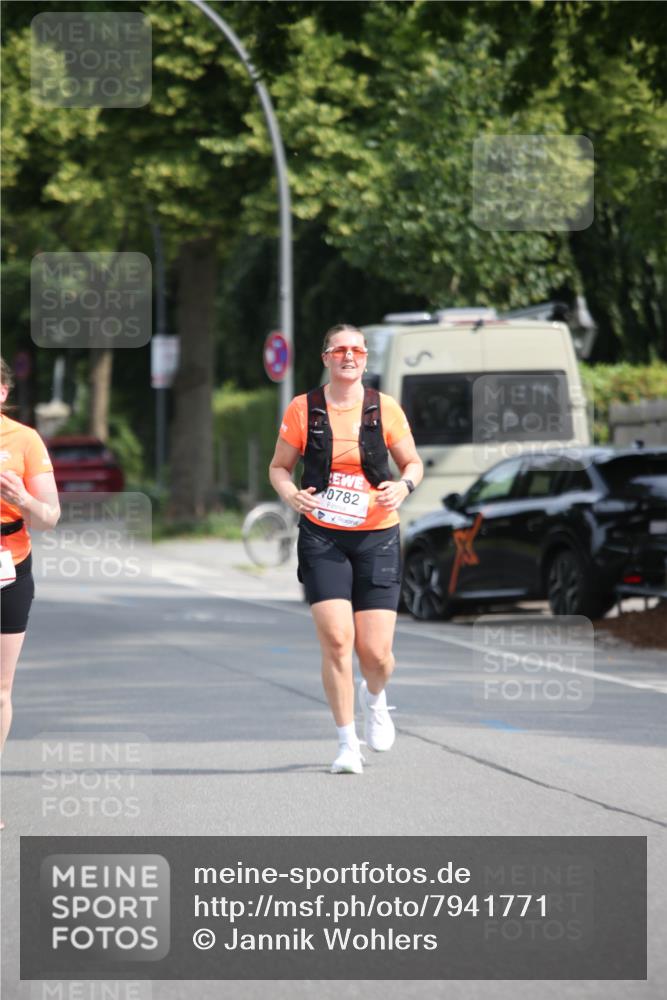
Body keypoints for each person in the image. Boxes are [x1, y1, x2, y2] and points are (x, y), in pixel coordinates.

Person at [269, 324, 423, 774]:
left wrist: (404, 486)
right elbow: (279, 468)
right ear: (326, 358)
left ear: (365, 359)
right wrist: (291, 495)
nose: (349, 356)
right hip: (323, 535)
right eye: (340, 350)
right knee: (338, 641)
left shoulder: (383, 408)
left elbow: (412, 462)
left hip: (377, 535)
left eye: (356, 350)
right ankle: (346, 744)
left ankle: (374, 698)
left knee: (375, 654)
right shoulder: (304, 409)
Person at [0, 357, 60, 829]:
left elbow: (49, 517)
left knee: (0, 689)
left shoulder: (24, 440)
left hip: (9, 564)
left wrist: (22, 498)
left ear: (3, 392)